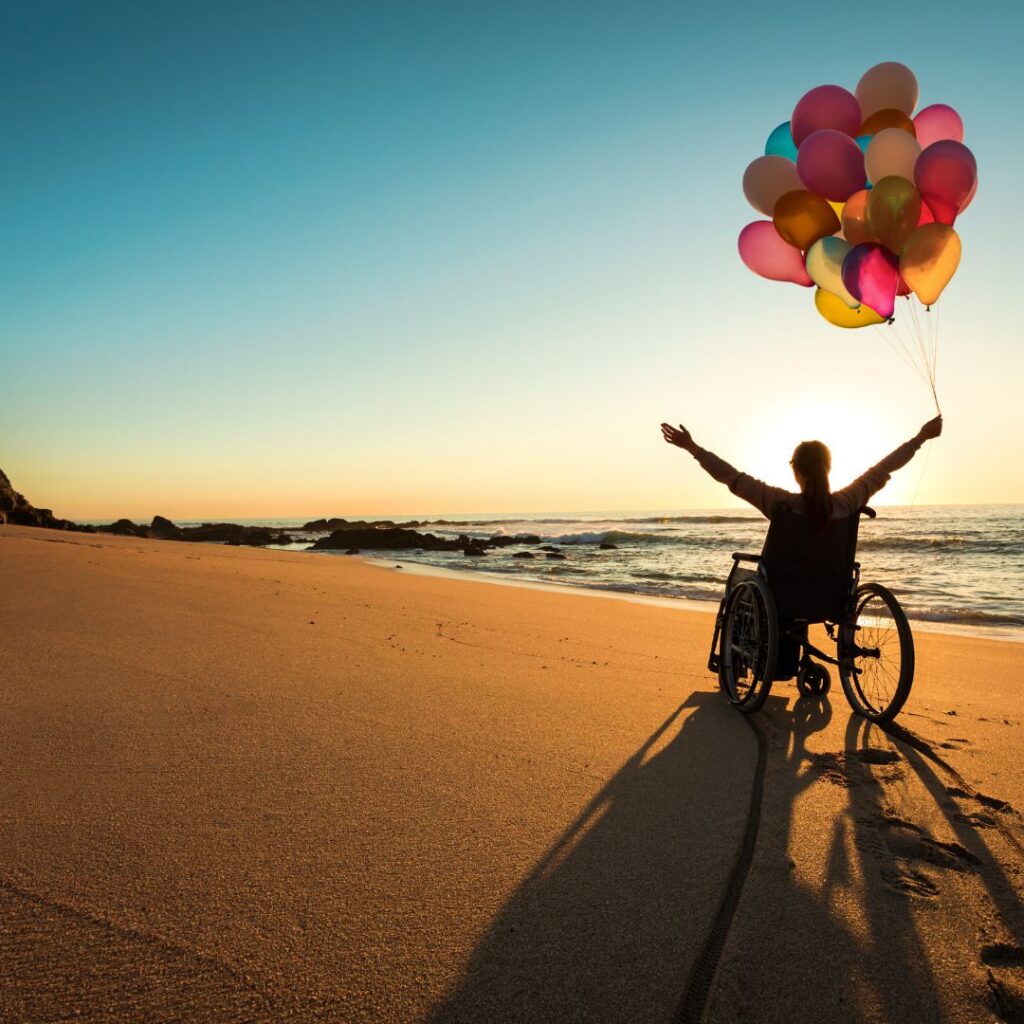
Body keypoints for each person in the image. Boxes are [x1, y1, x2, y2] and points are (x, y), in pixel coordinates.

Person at [660, 416, 943, 528]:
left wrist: (693, 448)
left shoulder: (780, 504)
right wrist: (920, 438)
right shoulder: (847, 503)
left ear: (796, 470)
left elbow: (730, 477)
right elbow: (885, 466)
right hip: (829, 593)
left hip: (783, 593)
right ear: (829, 467)